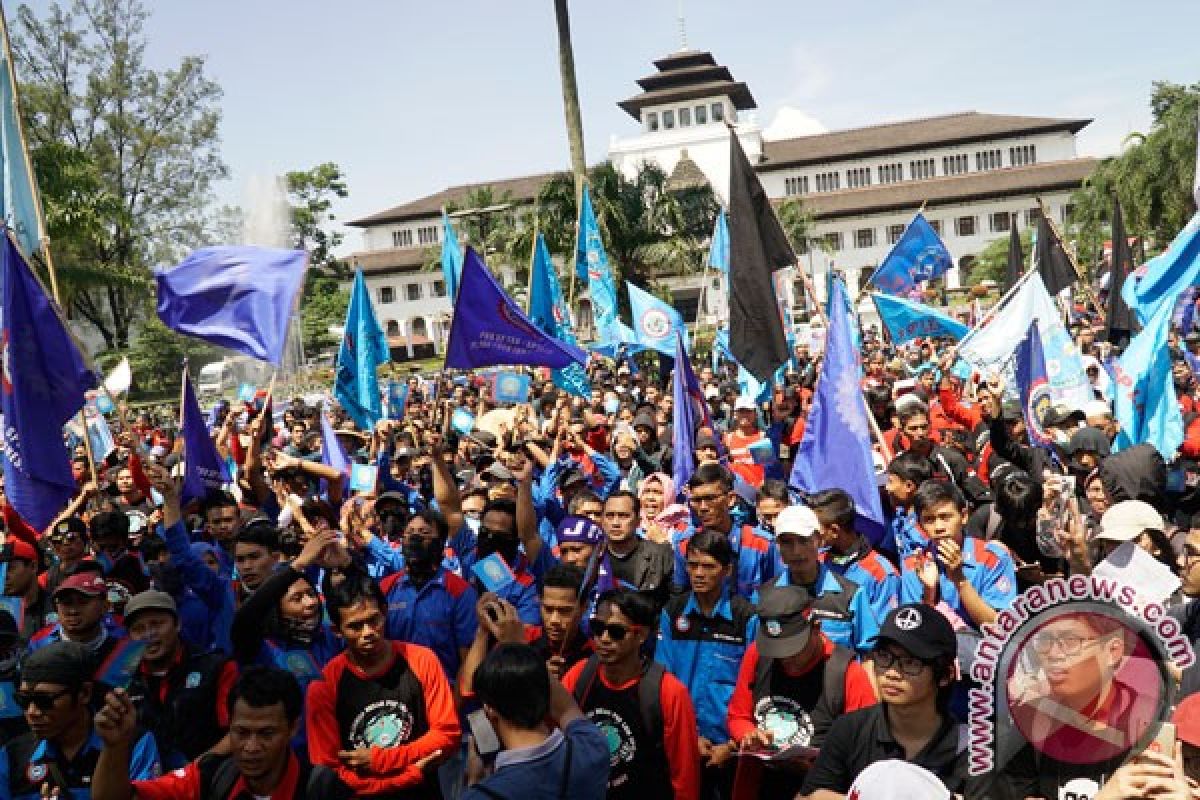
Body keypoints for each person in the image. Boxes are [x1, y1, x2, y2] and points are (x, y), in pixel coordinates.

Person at [92, 667, 354, 800]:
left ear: (293, 728)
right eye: (242, 732)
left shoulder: (325, 790)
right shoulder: (211, 776)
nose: (251, 747)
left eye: (266, 734)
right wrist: (115, 747)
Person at [306, 575, 459, 797]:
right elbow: (331, 770)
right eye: (355, 627)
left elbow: (447, 735)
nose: (368, 633)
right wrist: (409, 774)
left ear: (385, 612)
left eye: (374, 620)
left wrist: (381, 760)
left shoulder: (422, 660)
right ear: (337, 631)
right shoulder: (324, 685)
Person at [801, 604, 968, 798]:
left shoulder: (971, 749)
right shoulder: (850, 729)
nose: (891, 673)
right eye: (884, 656)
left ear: (945, 675)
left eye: (910, 663)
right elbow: (808, 795)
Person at [1001, 612, 1159, 799]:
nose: (1053, 654)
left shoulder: (1147, 724)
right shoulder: (1030, 720)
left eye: (1071, 642)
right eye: (1044, 640)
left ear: (1112, 651)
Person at [561, 589, 701, 800]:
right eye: (598, 629)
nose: (604, 639)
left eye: (616, 632)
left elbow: (684, 777)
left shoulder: (669, 693)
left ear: (641, 635)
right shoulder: (578, 676)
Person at [655, 531, 757, 796]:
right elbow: (663, 678)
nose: (698, 573)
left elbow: (753, 686)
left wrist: (732, 745)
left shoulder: (745, 617)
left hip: (732, 747)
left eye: (708, 566)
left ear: (727, 570)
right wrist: (690, 738)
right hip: (683, 741)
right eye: (692, 565)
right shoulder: (673, 612)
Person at [1, 641, 161, 799]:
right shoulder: (12, 756)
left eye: (44, 701)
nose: (32, 712)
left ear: (84, 693)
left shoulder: (133, 744)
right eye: (23, 700)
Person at [463, 644, 609, 800]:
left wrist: (474, 782)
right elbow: (566, 709)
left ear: (489, 709)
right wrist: (523, 651)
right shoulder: (592, 746)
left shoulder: (482, 794)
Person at [122, 590, 237, 769]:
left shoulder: (216, 667)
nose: (148, 635)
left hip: (206, 778)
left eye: (157, 624)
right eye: (138, 629)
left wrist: (189, 774)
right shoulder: (122, 680)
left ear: (177, 624)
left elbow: (236, 733)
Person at [899, 481, 1017, 631]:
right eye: (929, 519)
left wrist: (959, 579)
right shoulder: (915, 564)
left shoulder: (992, 558)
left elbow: (999, 627)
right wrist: (929, 593)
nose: (939, 528)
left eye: (945, 517)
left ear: (964, 516)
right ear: (920, 524)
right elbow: (912, 630)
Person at [770, 505, 880, 655]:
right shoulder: (766, 596)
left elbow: (870, 654)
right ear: (777, 546)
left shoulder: (851, 596)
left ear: (819, 541)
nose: (796, 551)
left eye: (804, 541)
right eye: (787, 542)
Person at [674, 464, 780, 600]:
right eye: (696, 500)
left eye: (710, 498)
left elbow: (778, 596)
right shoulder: (685, 546)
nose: (703, 507)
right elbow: (681, 598)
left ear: (730, 499)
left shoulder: (762, 545)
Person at [808, 489, 899, 624]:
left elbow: (884, 629)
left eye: (815, 529)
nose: (809, 533)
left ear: (834, 531)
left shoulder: (881, 573)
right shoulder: (816, 562)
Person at [600, 492, 674, 605]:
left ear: (638, 521)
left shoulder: (660, 556)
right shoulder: (594, 557)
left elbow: (674, 600)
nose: (615, 523)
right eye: (610, 516)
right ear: (602, 521)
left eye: (623, 516)